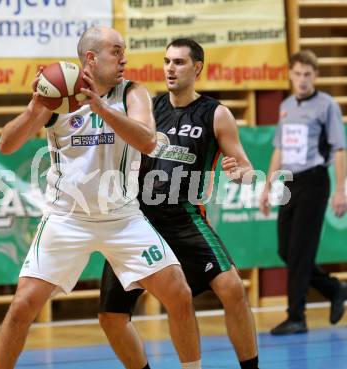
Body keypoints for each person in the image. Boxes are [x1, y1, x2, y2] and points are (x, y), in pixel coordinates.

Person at [0, 27, 201, 369]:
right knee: (22, 307)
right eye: (116, 51)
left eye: (124, 51)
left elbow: (148, 142)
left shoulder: (132, 93)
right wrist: (35, 107)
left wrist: (101, 108)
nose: (124, 59)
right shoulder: (58, 99)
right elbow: (6, 145)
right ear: (91, 57)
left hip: (121, 218)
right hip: (66, 218)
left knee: (179, 292)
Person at [98, 38, 260, 369]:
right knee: (111, 317)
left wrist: (238, 171)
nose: (170, 68)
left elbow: (247, 170)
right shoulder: (148, 108)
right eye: (167, 61)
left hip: (184, 218)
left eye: (179, 62)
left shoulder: (216, 114)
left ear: (197, 67)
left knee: (232, 290)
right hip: (138, 220)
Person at [260, 50, 347, 335]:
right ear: (290, 75)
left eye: (307, 75)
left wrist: (341, 190)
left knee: (300, 251)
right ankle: (334, 288)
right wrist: (267, 184)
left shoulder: (327, 106)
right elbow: (279, 149)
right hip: (290, 183)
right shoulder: (286, 106)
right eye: (297, 74)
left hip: (314, 181)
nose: (302, 80)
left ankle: (296, 316)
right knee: (286, 250)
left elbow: (339, 148)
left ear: (316, 76)